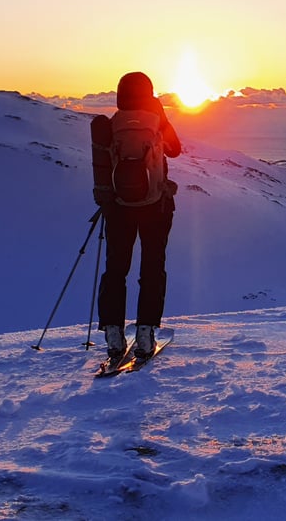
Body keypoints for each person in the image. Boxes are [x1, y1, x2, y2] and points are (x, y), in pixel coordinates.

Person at [93, 71, 181, 360]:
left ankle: (113, 334)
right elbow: (176, 150)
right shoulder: (156, 120)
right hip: (155, 206)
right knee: (152, 268)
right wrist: (160, 115)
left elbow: (103, 166)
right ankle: (145, 333)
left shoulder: (111, 124)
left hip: (119, 208)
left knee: (116, 269)